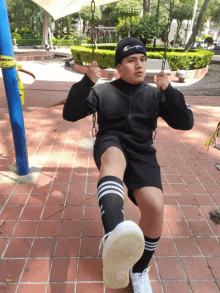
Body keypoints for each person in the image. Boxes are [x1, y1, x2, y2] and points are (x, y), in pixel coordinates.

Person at [63, 37, 194, 292]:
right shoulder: (103, 91)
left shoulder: (154, 95)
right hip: (111, 141)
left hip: (142, 150)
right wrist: (87, 82)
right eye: (131, 60)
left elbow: (185, 122)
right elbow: (70, 113)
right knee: (112, 159)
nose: (139, 65)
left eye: (143, 60)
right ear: (119, 67)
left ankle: (139, 269)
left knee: (155, 208)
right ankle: (114, 237)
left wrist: (169, 90)